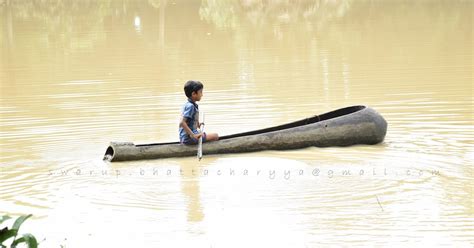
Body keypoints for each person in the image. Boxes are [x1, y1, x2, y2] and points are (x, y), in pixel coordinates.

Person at [179, 80, 219, 145]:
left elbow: (190, 120)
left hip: (187, 137)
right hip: (189, 138)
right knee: (215, 136)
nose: (202, 95)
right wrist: (193, 135)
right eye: (200, 92)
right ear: (193, 94)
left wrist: (198, 124)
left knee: (211, 136)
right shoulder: (190, 106)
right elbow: (182, 122)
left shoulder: (190, 104)